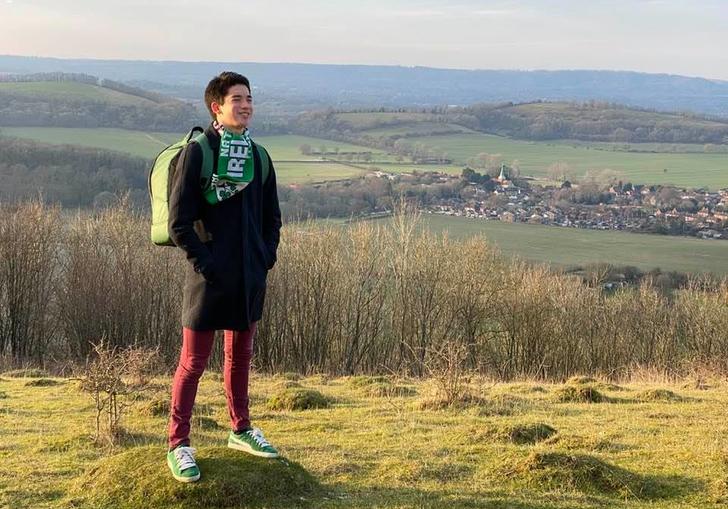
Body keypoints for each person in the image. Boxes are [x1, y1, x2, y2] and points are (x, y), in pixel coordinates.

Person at [165, 71, 282, 483]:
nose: (246, 105)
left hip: (250, 277)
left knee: (240, 358)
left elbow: (272, 218)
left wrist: (265, 256)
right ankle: (178, 444)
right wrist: (208, 264)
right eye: (237, 99)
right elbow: (178, 222)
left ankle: (241, 429)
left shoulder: (260, 156)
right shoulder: (198, 153)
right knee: (193, 362)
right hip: (209, 279)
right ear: (217, 106)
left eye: (249, 98)